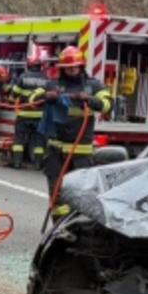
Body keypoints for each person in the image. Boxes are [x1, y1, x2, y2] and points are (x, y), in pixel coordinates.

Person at [40, 47, 114, 213]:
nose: (71, 69)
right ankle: (59, 232)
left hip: (81, 155)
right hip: (55, 154)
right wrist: (46, 96)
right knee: (57, 198)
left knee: (80, 197)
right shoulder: (53, 85)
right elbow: (32, 98)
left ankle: (78, 232)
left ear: (81, 66)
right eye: (68, 67)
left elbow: (108, 104)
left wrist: (90, 100)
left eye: (75, 66)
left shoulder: (93, 85)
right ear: (62, 68)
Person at [13, 48, 52, 170]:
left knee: (19, 139)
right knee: (39, 141)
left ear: (28, 66)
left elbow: (15, 93)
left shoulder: (23, 77)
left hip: (24, 114)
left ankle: (17, 162)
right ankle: (37, 164)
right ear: (40, 66)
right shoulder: (46, 79)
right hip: (40, 116)